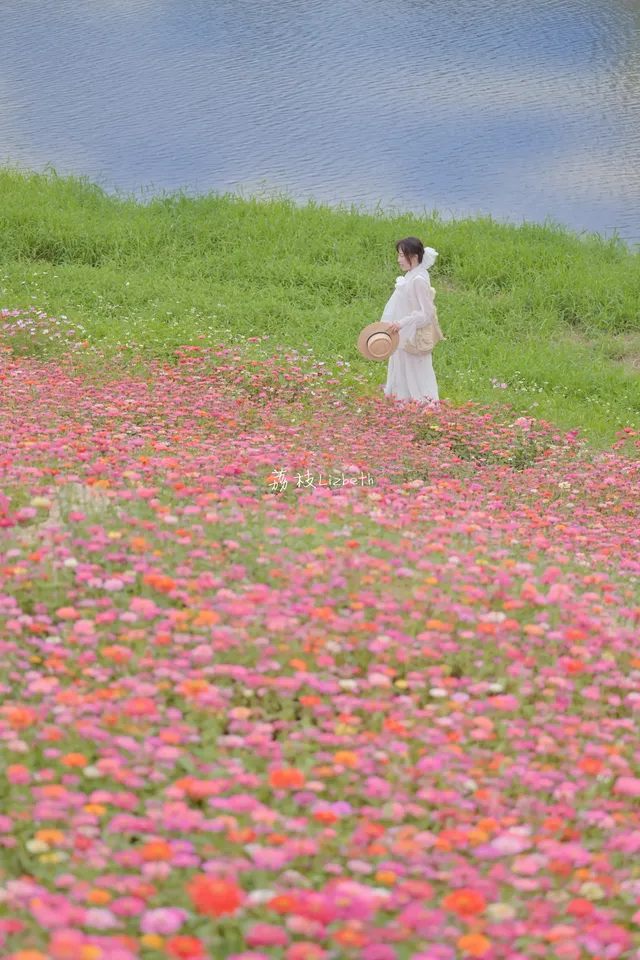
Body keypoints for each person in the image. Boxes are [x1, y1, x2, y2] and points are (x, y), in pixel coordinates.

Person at [382, 237, 440, 403]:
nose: (399, 260)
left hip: (411, 332)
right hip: (404, 331)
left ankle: (419, 403)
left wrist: (403, 323)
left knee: (415, 370)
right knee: (402, 366)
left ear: (413, 257)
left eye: (402, 255)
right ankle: (402, 401)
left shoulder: (418, 279)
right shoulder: (412, 274)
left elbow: (426, 313)